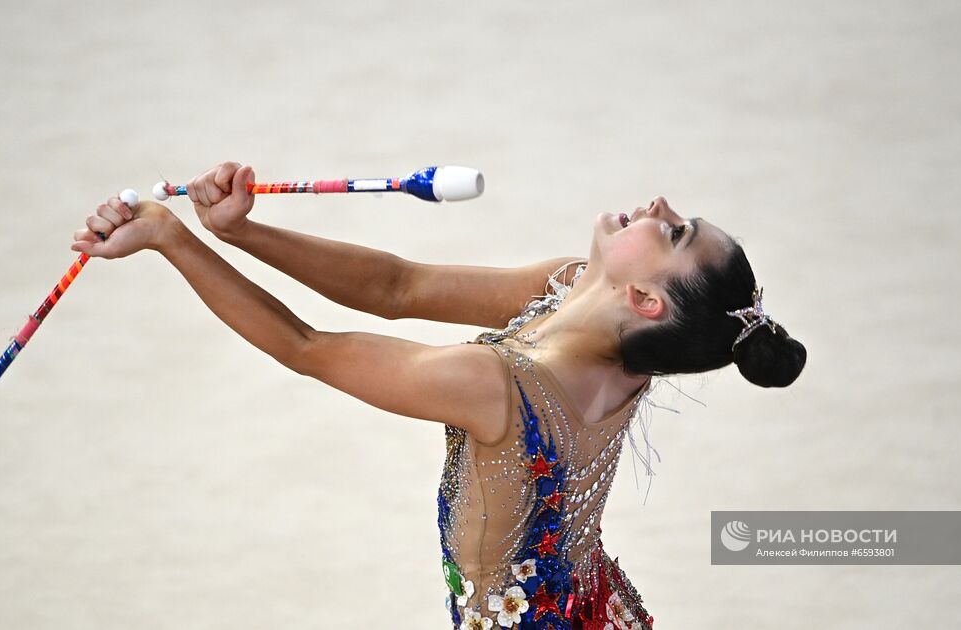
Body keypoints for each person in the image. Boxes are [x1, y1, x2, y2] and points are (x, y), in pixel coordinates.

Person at [71, 161, 807, 630]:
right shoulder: (598, 311)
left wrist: (173, 239)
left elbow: (307, 349)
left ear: (645, 296)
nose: (658, 202)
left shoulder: (494, 387)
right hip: (600, 612)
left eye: (674, 230)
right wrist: (242, 232)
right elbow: (400, 287)